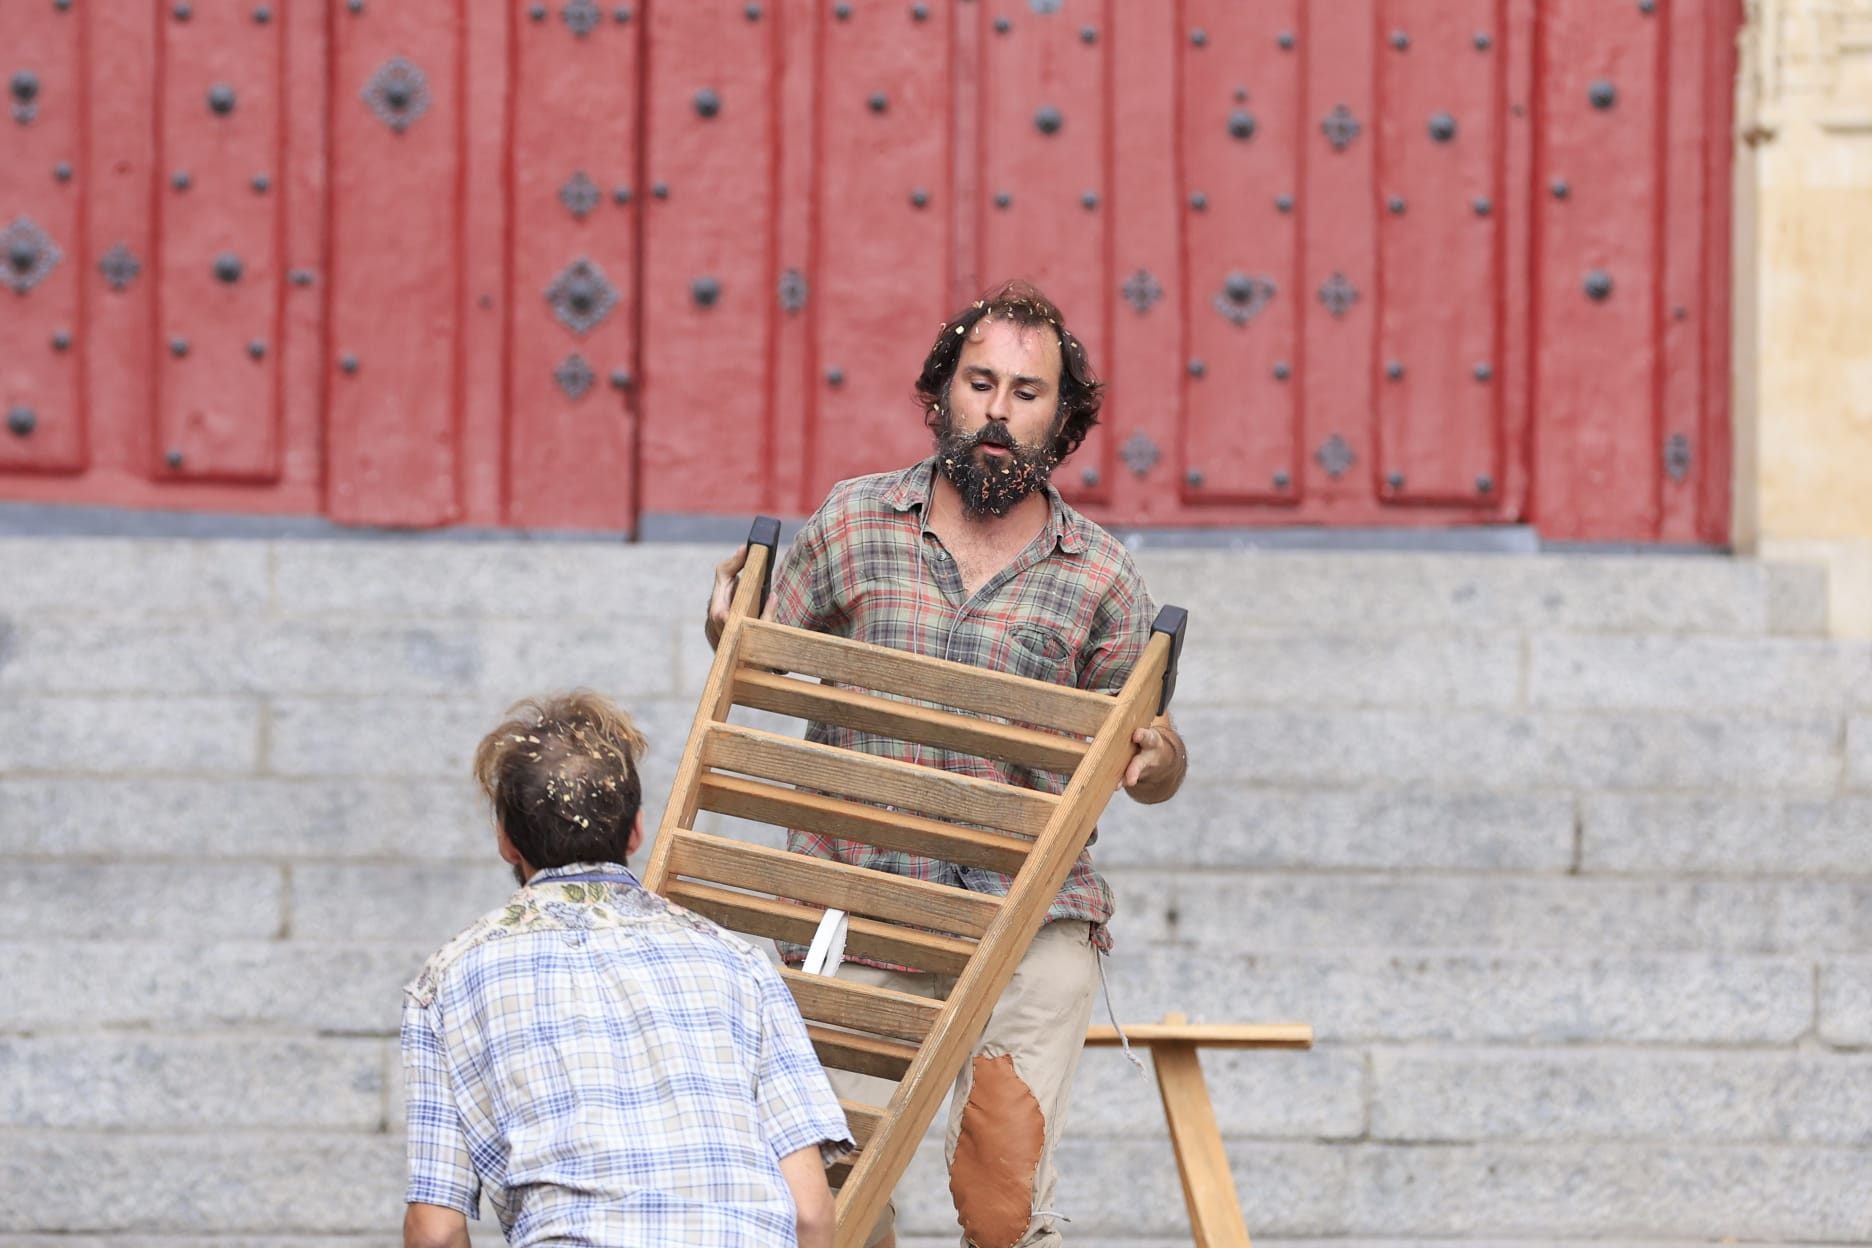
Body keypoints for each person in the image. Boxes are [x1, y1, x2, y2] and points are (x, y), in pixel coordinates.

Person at [706, 280, 1188, 1248]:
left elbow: (1146, 759)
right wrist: (723, 623)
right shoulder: (852, 523)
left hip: (1026, 919)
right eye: (981, 384)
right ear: (941, 395)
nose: (1000, 412)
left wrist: (1163, 758)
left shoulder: (1099, 574)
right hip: (855, 903)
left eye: (1027, 391)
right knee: (826, 1202)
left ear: (1063, 418)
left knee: (1004, 1207)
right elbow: (753, 656)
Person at [400, 691, 853, 1248]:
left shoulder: (447, 980)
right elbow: (810, 1213)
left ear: (506, 840)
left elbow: (436, 1232)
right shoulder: (738, 964)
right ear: (636, 830)